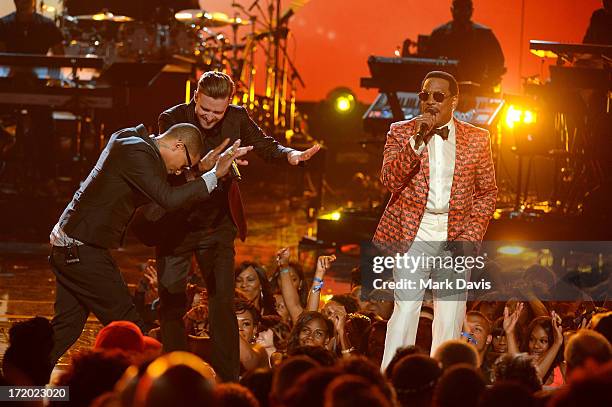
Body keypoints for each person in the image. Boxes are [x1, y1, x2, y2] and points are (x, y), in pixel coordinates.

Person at [151, 71, 320, 382]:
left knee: (222, 303)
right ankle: (173, 375)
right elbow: (166, 172)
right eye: (205, 110)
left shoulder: (237, 118)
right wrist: (207, 167)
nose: (211, 117)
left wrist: (292, 155)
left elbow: (267, 145)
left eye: (218, 111)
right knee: (171, 301)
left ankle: (228, 381)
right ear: (196, 97)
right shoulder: (172, 118)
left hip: (217, 227)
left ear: (228, 104)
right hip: (179, 225)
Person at [48, 122, 249, 364]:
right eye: (183, 164)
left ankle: (16, 388)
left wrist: (196, 172)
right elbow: (168, 198)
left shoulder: (131, 140)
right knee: (131, 329)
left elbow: (161, 184)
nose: (178, 172)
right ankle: (151, 392)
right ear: (177, 145)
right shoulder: (135, 152)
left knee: (65, 329)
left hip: (73, 247)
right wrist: (213, 176)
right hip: (80, 250)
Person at [374, 70, 497, 370]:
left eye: (438, 96)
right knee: (405, 309)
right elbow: (390, 180)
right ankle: (393, 379)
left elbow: (487, 193)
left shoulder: (477, 139)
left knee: (450, 315)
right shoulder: (401, 132)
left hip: (455, 235)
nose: (429, 102)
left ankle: (443, 383)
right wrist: (417, 141)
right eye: (424, 95)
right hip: (413, 232)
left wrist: (470, 237)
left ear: (455, 101)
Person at [424, 0, 505, 92]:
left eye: (465, 9)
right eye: (459, 9)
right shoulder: (439, 34)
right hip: (446, 89)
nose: (462, 13)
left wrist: (486, 83)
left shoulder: (485, 34)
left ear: (471, 11)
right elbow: (428, 63)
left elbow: (497, 63)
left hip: (476, 89)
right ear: (452, 10)